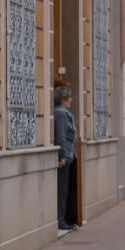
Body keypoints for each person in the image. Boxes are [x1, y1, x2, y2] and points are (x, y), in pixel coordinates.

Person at [53, 85, 78, 230]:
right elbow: (61, 136)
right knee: (62, 190)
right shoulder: (61, 114)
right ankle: (60, 221)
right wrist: (62, 156)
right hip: (64, 157)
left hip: (68, 155)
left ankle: (63, 219)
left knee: (65, 189)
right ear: (63, 99)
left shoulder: (63, 113)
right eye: (69, 98)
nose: (71, 100)